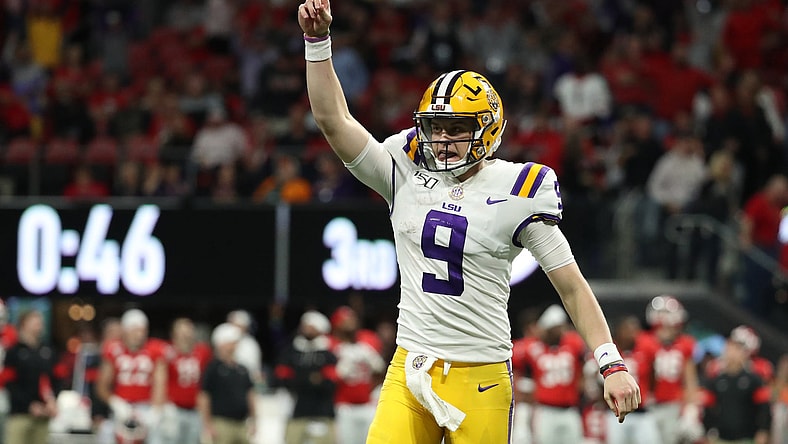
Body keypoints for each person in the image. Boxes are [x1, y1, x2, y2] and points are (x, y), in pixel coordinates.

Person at [297, 2, 641, 443]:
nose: (442, 139)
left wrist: (610, 362)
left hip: (479, 375)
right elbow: (332, 119)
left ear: (488, 128)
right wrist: (317, 42)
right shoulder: (401, 168)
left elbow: (572, 287)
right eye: (435, 127)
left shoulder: (518, 189)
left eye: (456, 127)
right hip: (410, 366)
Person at [511, 304, 586, 444]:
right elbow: (515, 366)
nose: (561, 331)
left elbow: (584, 361)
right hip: (545, 410)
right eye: (557, 328)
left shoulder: (572, 343)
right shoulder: (531, 347)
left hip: (570, 409)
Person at [95, 309, 169, 444]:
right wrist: (116, 403)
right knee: (106, 435)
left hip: (146, 408)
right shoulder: (113, 349)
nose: (139, 335)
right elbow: (101, 386)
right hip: (121, 408)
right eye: (135, 330)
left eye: (142, 330)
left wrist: (155, 411)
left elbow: (160, 383)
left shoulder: (155, 349)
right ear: (125, 331)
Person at [642, 296, 701, 444]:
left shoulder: (685, 344)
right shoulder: (644, 342)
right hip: (646, 407)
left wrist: (691, 408)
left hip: (673, 405)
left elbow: (690, 379)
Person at [274, 310, 337, 444]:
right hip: (297, 411)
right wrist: (311, 379)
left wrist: (299, 378)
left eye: (310, 326)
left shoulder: (328, 354)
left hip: (323, 412)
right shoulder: (291, 351)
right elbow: (282, 379)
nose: (306, 328)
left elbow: (330, 384)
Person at [700, 330, 772, 444]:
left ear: (744, 353)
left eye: (736, 349)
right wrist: (705, 431)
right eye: (729, 347)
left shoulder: (754, 380)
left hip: (747, 437)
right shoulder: (716, 380)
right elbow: (708, 409)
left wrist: (763, 430)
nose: (731, 352)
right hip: (720, 436)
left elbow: (764, 408)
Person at [2, 310, 57, 444]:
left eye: (40, 321)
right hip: (20, 414)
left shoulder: (47, 350)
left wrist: (52, 400)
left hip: (43, 414)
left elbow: (55, 379)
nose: (39, 324)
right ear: (24, 324)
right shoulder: (14, 351)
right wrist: (29, 405)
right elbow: (8, 383)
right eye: (35, 321)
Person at [198, 322, 256, 444]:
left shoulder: (242, 369)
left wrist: (253, 420)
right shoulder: (213, 368)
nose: (235, 345)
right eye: (232, 341)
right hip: (221, 423)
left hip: (242, 423)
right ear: (221, 343)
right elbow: (204, 396)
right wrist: (207, 424)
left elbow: (250, 394)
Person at [166, 318, 212, 444]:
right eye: (182, 332)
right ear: (174, 334)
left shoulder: (202, 352)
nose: (186, 336)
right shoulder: (167, 352)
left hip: (195, 410)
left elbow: (207, 383)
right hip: (173, 409)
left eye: (188, 332)